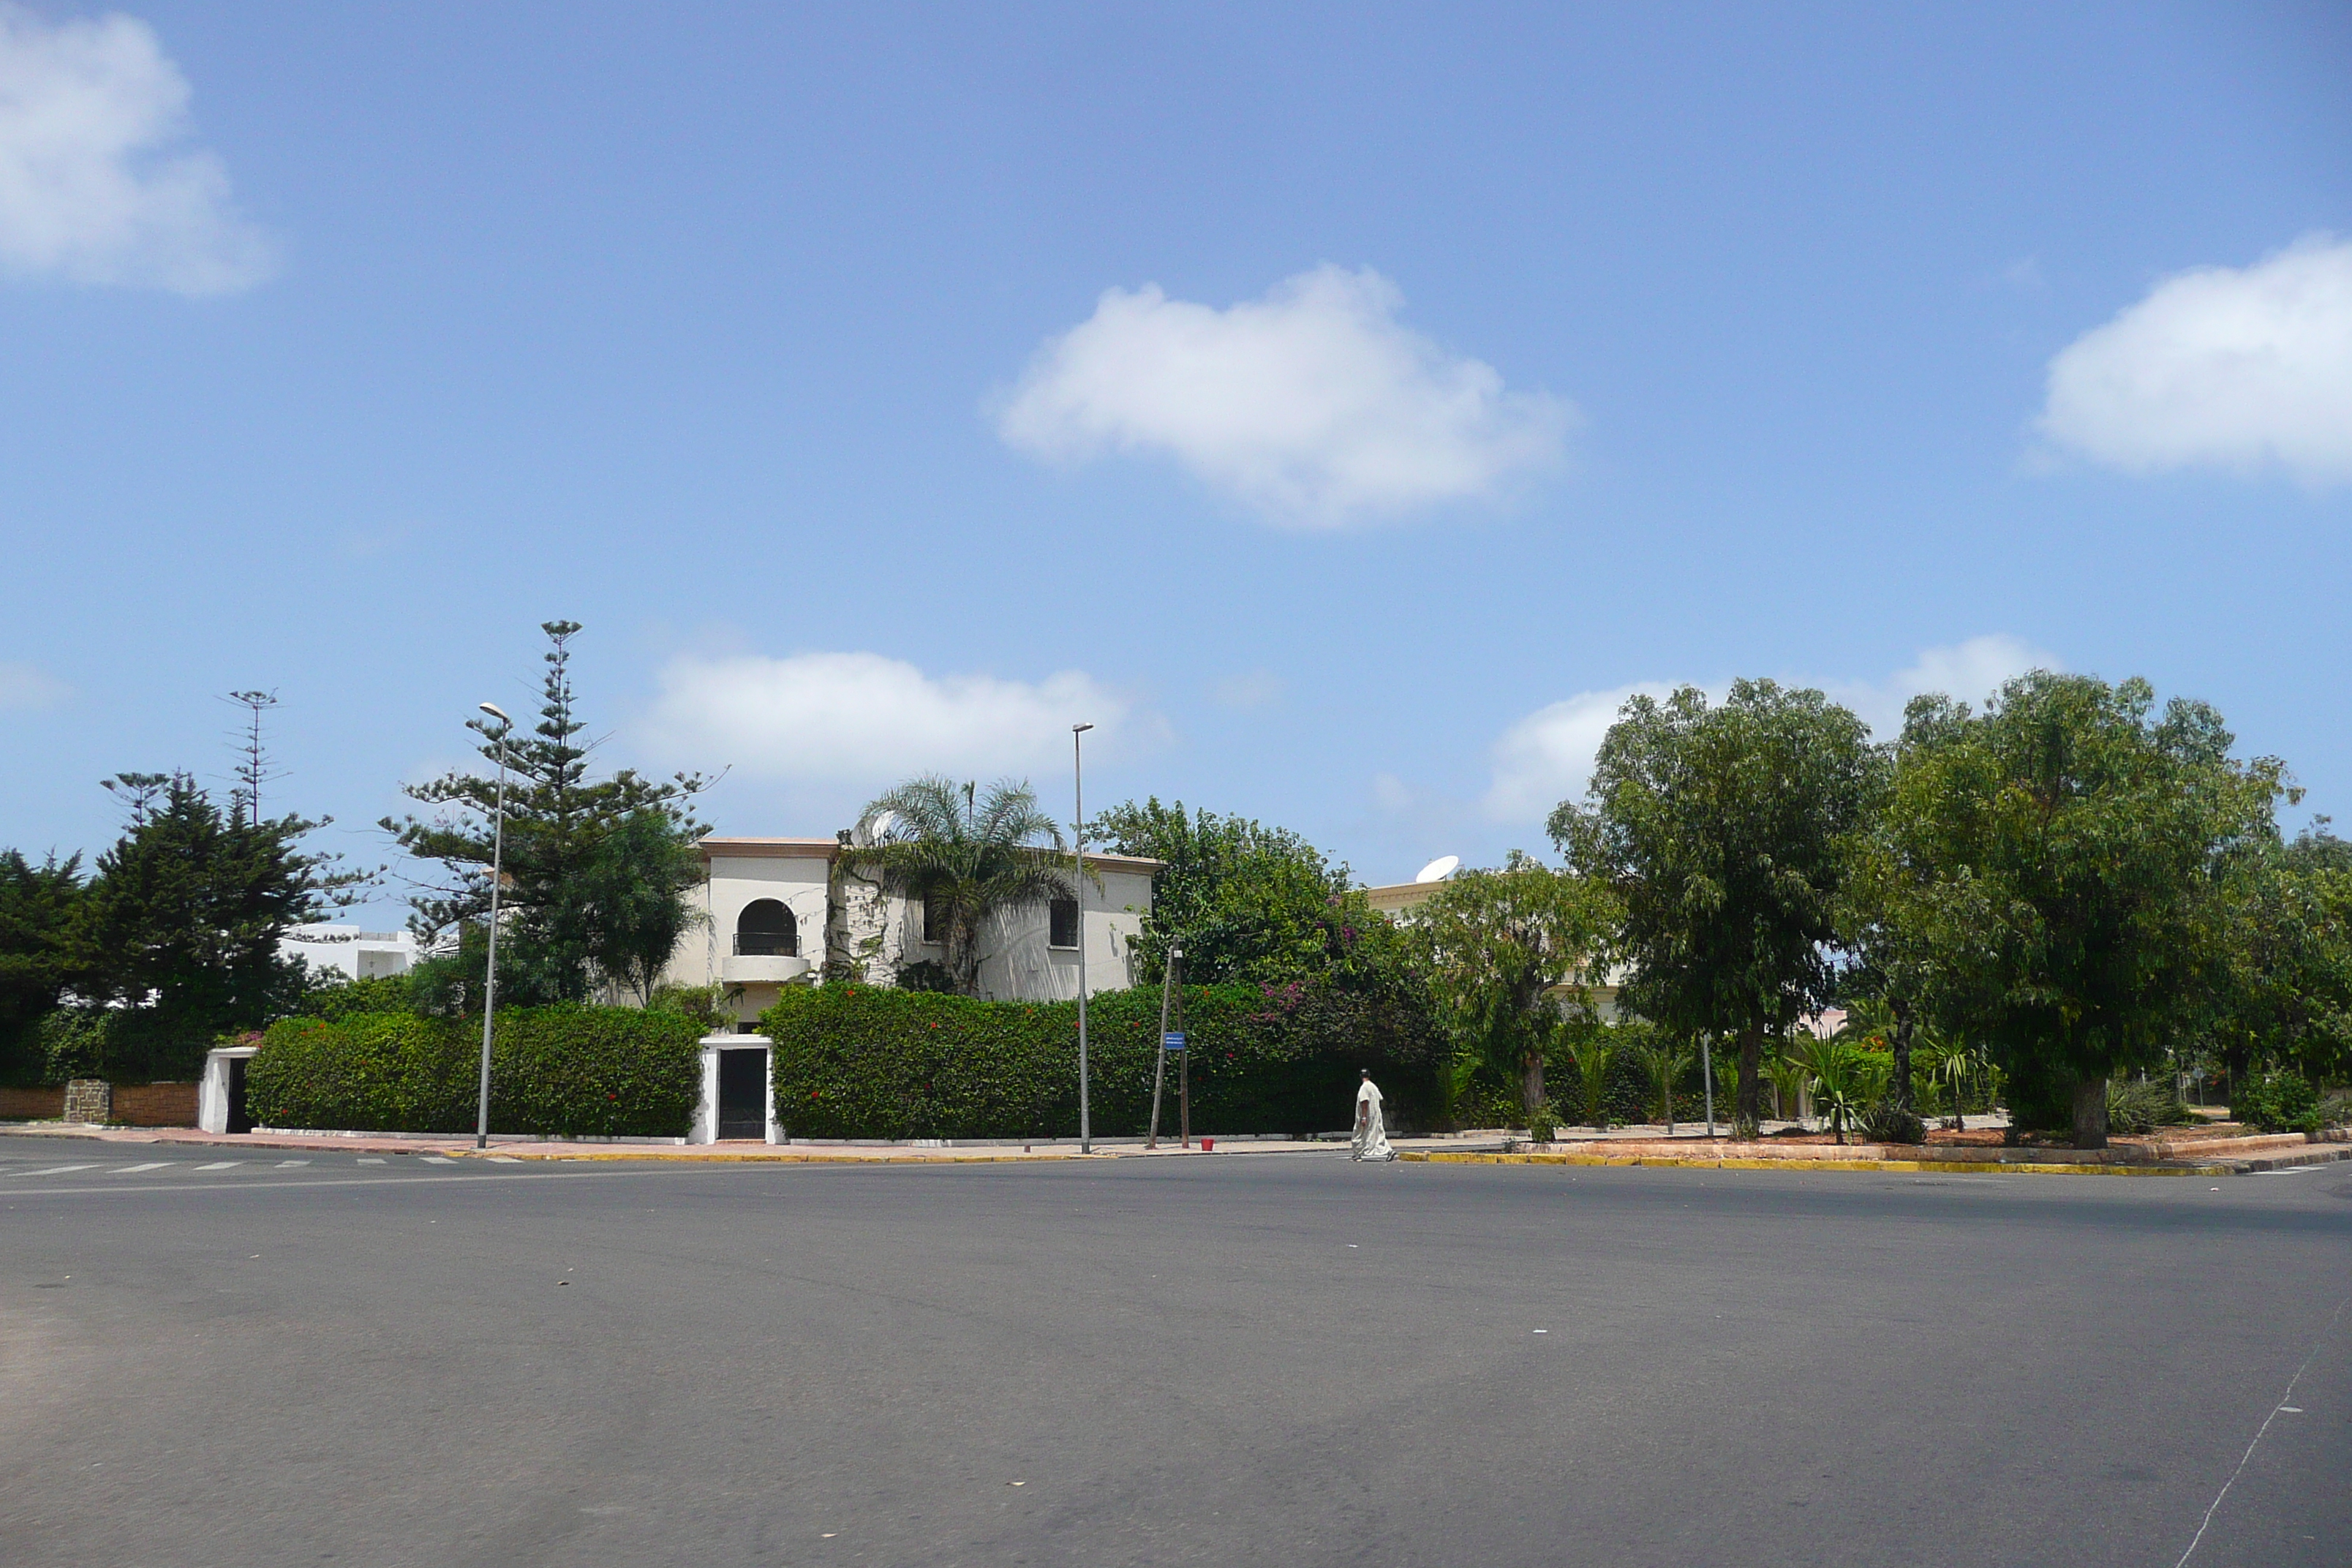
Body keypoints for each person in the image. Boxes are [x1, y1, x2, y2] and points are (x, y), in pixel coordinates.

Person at [1352, 1069, 1397, 1162]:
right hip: (1376, 1115)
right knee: (1377, 1134)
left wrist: (1364, 1117)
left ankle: (1359, 1152)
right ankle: (1388, 1151)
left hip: (1368, 1115)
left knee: (1360, 1134)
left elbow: (1365, 1102)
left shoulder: (1364, 1087)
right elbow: (1380, 1098)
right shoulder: (1373, 1086)